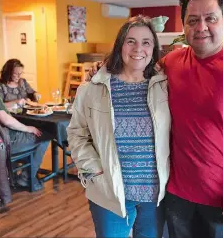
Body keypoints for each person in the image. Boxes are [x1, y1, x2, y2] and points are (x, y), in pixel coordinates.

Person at [88, 0, 223, 237]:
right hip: (179, 198)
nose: (201, 27)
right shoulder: (170, 64)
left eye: (210, 18)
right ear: (184, 26)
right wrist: (103, 69)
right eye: (193, 20)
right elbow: (135, 64)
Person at [67, 15, 171, 238]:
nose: (138, 49)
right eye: (130, 41)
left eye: (146, 42)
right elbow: (77, 134)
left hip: (155, 196)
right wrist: (95, 170)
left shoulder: (166, 87)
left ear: (154, 48)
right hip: (110, 193)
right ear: (120, 45)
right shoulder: (93, 88)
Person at [0, 59, 51, 191]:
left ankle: (19, 173)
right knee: (44, 135)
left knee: (32, 134)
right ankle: (25, 177)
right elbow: (6, 120)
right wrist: (29, 128)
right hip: (0, 142)